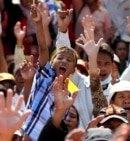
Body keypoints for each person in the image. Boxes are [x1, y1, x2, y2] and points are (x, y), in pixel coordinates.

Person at [22, 3, 79, 141]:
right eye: (59, 58)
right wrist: (38, 22)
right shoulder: (46, 74)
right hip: (28, 134)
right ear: (51, 63)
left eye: (69, 60)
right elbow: (43, 48)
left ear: (73, 70)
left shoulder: (70, 92)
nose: (64, 61)